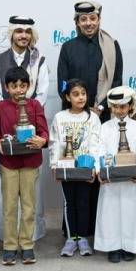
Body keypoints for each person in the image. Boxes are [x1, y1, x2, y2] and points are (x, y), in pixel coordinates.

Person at [0, 15, 50, 245]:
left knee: (30, 200)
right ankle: (9, 242)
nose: (23, 35)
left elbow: (41, 93)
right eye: (18, 31)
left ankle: (30, 239)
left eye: (27, 31)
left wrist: (27, 114)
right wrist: (9, 114)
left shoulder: (38, 60)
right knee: (9, 201)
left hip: (30, 129)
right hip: (6, 129)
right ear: (11, 34)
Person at [0, 66, 49, 265]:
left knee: (28, 206)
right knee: (9, 206)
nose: (19, 89)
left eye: (23, 85)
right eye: (14, 86)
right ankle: (9, 246)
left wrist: (42, 141)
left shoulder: (35, 105)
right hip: (8, 162)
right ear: (6, 87)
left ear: (29, 86)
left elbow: (44, 132)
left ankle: (26, 245)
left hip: (30, 162)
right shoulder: (0, 106)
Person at [95, 86, 136, 262]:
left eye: (123, 106)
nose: (119, 110)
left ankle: (130, 246)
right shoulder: (104, 127)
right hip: (110, 179)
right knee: (110, 212)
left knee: (131, 211)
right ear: (110, 107)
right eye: (115, 106)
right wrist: (99, 171)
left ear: (131, 106)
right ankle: (112, 246)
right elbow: (99, 152)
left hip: (131, 179)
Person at [51, 78, 101, 256]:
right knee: (69, 203)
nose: (80, 98)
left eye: (83, 94)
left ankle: (83, 239)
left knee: (83, 203)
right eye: (75, 94)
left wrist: (95, 166)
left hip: (85, 168)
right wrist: (54, 165)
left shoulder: (92, 117)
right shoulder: (60, 117)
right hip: (66, 169)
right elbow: (55, 143)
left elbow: (96, 144)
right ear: (67, 97)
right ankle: (71, 239)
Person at [56, 0, 123, 121]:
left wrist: (101, 107)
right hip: (74, 114)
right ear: (77, 22)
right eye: (83, 19)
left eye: (92, 18)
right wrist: (80, 107)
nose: (88, 23)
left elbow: (117, 82)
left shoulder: (112, 46)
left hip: (104, 115)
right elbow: (63, 84)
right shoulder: (68, 47)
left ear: (99, 20)